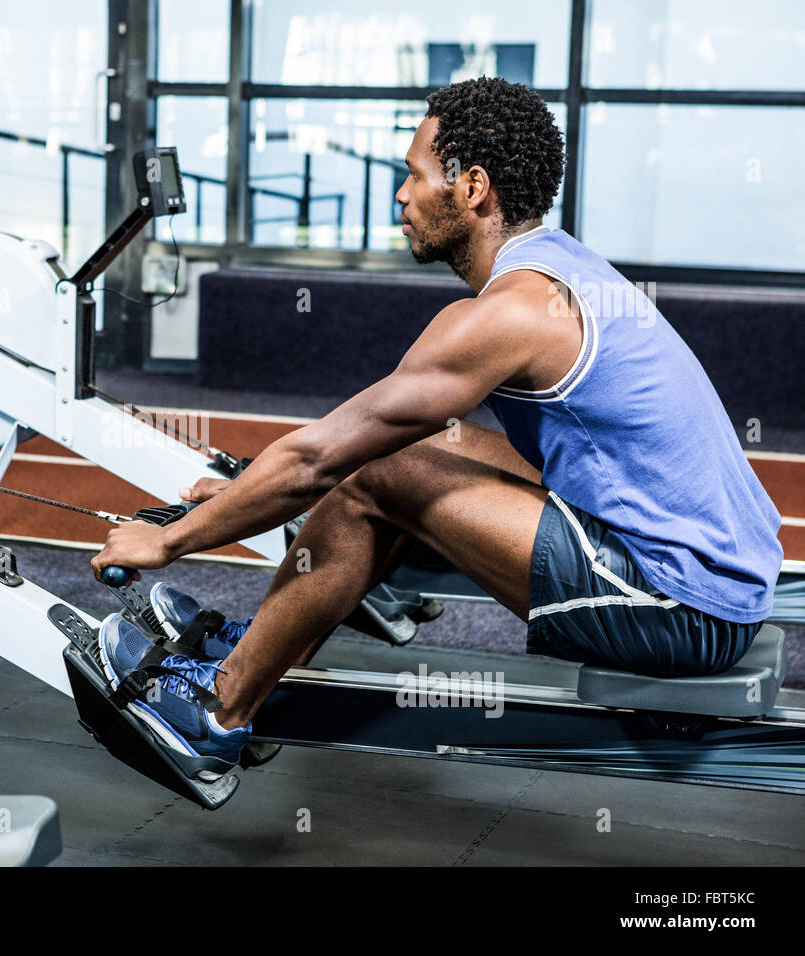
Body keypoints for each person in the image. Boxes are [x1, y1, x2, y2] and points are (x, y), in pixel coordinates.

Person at [89, 76, 783, 777]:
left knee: (379, 473)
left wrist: (169, 539)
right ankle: (266, 659)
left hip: (684, 607)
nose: (401, 194)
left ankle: (216, 713)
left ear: (472, 186)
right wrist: (248, 496)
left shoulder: (510, 313)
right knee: (406, 451)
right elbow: (354, 441)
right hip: (713, 575)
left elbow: (319, 462)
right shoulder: (560, 265)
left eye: (413, 175)